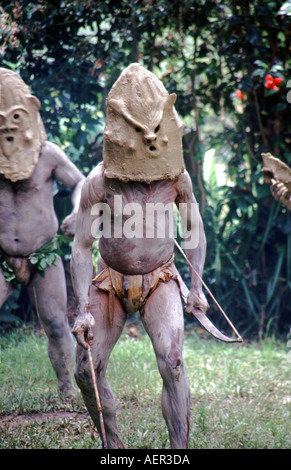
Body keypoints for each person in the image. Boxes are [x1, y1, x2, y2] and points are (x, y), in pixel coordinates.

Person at [71, 63, 208, 448]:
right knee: (87, 370)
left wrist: (195, 286)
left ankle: (178, 450)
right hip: (109, 279)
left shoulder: (177, 178)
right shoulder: (98, 182)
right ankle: (112, 446)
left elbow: (194, 231)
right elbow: (81, 245)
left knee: (174, 362)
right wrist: (81, 307)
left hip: (159, 278)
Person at [0, 68, 85, 397]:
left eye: (15, 117)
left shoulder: (48, 155)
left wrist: (78, 210)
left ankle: (68, 388)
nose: (8, 126)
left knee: (54, 321)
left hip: (43, 253)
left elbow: (79, 183)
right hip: (2, 255)